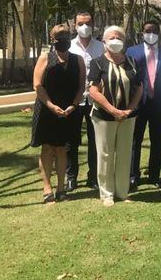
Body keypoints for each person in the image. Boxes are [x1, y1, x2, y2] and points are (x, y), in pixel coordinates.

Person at [88, 26, 143, 206]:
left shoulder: (132, 62)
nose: (116, 40)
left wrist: (130, 109)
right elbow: (94, 91)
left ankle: (122, 191)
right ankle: (106, 193)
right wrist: (112, 110)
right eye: (112, 37)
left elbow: (139, 88)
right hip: (104, 116)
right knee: (105, 154)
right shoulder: (97, 63)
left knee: (125, 153)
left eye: (119, 37)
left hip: (127, 116)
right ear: (104, 41)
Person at [31, 24, 85, 203]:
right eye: (59, 36)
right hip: (47, 110)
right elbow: (37, 85)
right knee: (47, 148)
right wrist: (51, 105)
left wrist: (74, 105)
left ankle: (61, 189)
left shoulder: (78, 60)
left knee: (63, 149)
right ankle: (47, 189)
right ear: (52, 39)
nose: (64, 39)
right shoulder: (45, 57)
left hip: (69, 111)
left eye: (66, 35)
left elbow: (81, 87)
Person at [126, 20, 161, 191]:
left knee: (157, 140)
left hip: (159, 103)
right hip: (138, 103)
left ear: (159, 32)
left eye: (154, 31)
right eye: (147, 30)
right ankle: (133, 176)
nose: (151, 33)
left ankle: (154, 175)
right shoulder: (132, 51)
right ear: (142, 33)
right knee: (135, 140)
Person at [67, 11, 104, 191]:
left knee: (94, 141)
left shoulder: (101, 47)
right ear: (75, 25)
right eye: (81, 23)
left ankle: (93, 177)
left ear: (93, 24)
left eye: (88, 23)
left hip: (95, 101)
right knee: (71, 141)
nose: (84, 27)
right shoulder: (69, 47)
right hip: (74, 101)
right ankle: (71, 177)